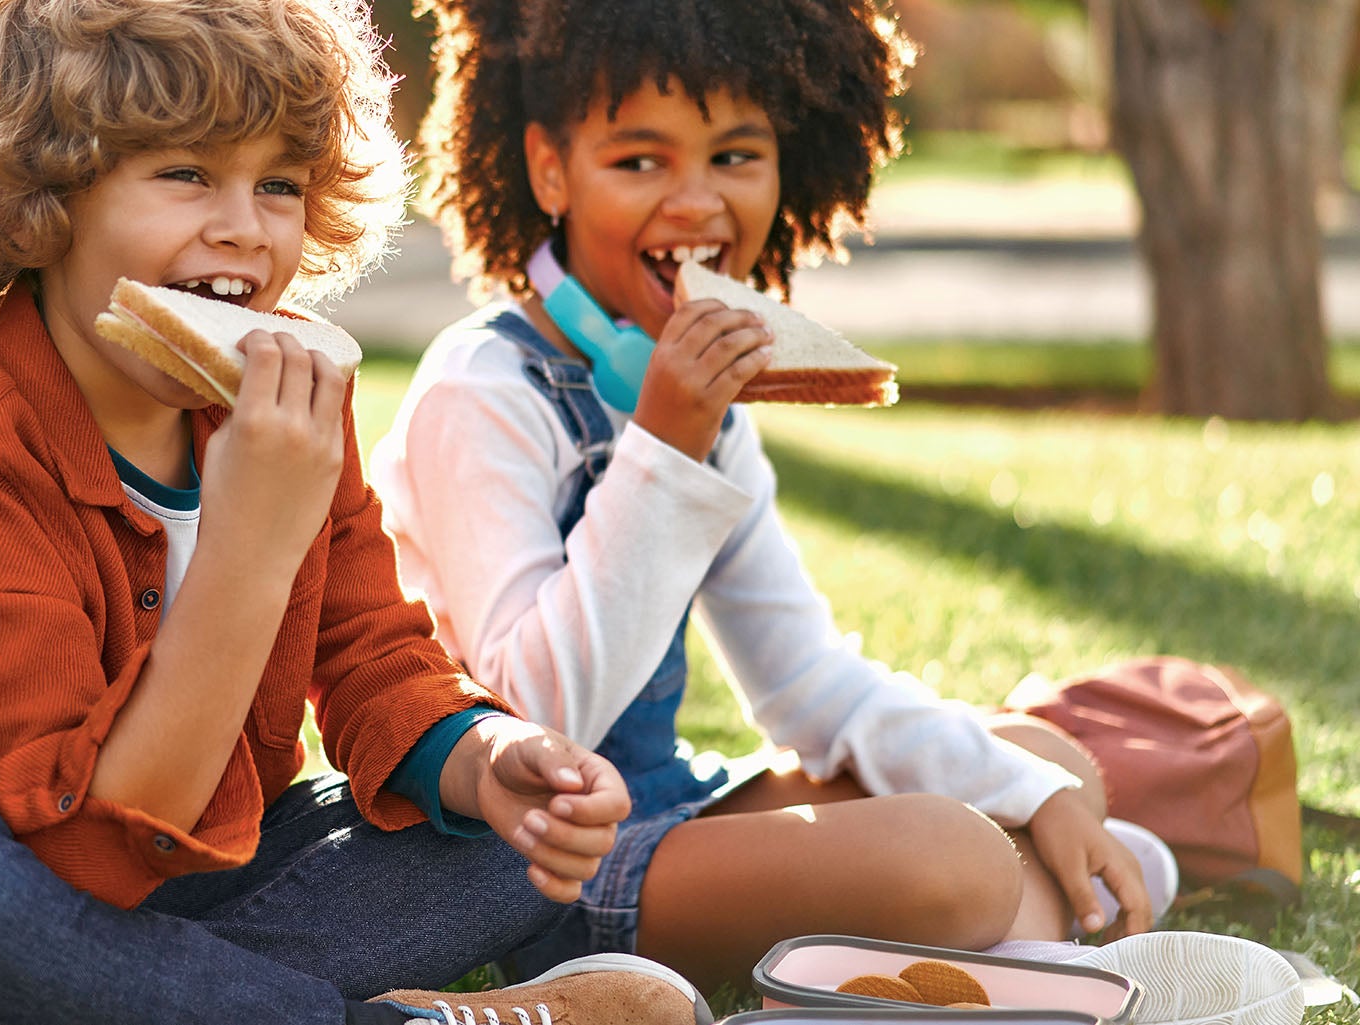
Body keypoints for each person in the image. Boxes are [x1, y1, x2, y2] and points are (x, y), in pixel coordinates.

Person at [0, 1, 709, 1023]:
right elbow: (75, 853)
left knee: (489, 844)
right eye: (184, 172)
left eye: (279, 185)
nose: (243, 226)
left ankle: (114, 1000)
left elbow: (373, 653)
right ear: (45, 194)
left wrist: (485, 758)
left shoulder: (288, 395)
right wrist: (249, 544)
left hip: (164, 894)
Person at [367, 0, 1171, 993]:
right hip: (529, 867)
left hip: (670, 808)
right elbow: (534, 715)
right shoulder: (480, 389)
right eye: (638, 161)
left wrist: (1035, 790)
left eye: (734, 157)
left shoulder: (699, 399)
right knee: (953, 858)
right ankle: (1024, 936)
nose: (696, 203)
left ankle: (1000, 937)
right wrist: (665, 441)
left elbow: (808, 685)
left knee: (1051, 761)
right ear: (548, 169)